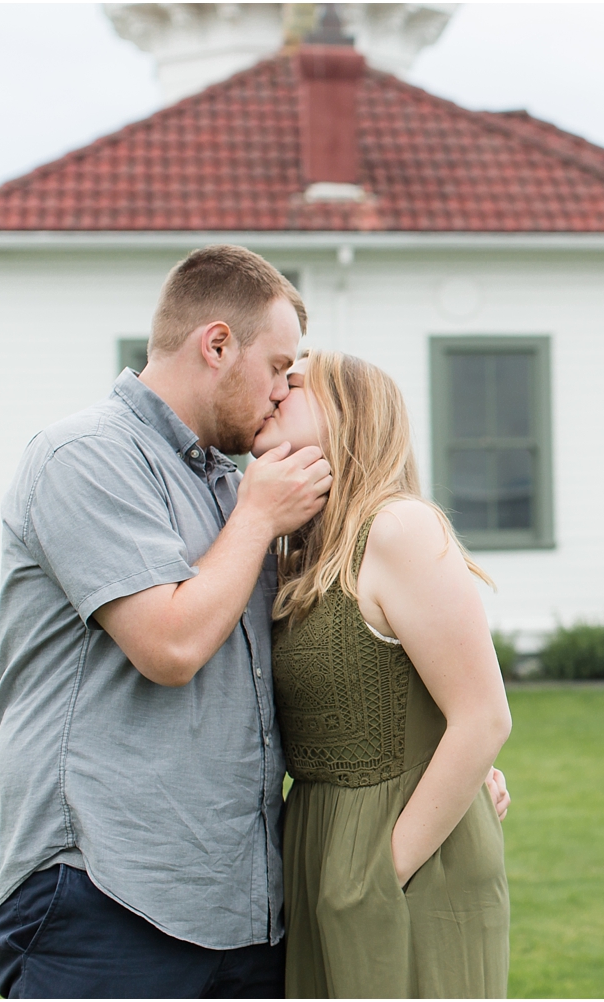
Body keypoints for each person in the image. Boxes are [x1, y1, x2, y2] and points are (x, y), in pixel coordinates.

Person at [0, 245, 332, 998]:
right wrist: (259, 517)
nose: (282, 392)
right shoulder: (83, 456)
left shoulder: (224, 483)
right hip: (102, 899)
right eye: (277, 366)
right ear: (216, 344)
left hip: (241, 909)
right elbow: (170, 645)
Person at [253, 349, 513, 999]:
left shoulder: (398, 528)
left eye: (294, 384)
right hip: (319, 841)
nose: (274, 391)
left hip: (400, 857)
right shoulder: (301, 555)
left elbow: (483, 717)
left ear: (350, 414)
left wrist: (380, 870)